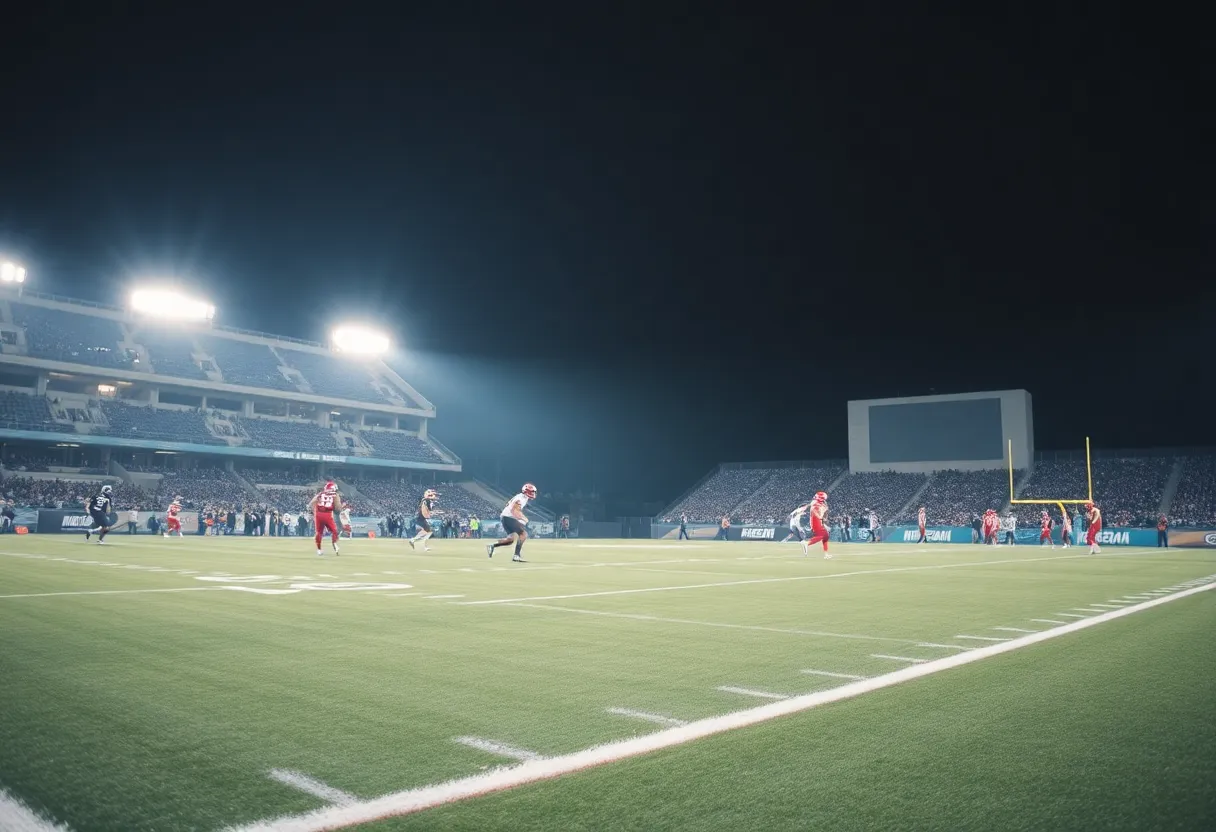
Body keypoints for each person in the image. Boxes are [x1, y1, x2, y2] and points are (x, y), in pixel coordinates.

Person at [487, 483, 536, 562]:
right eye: (532, 492)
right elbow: (514, 511)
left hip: (505, 517)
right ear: (527, 491)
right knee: (523, 534)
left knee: (510, 540)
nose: (533, 493)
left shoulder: (522, 497)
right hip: (508, 517)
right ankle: (516, 556)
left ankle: (492, 545)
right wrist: (524, 518)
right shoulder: (521, 498)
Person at [309, 481, 343, 557]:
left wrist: (312, 511)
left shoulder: (320, 493)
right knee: (335, 531)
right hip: (327, 514)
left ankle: (319, 550)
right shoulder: (335, 495)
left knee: (319, 532)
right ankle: (334, 543)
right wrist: (339, 509)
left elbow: (312, 502)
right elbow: (338, 507)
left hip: (318, 514)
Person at [803, 491, 831, 558]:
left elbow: (824, 514)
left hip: (818, 521)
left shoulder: (820, 504)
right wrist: (820, 517)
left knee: (826, 536)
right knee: (822, 535)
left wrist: (823, 518)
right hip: (816, 521)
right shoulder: (816, 504)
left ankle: (826, 554)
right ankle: (807, 543)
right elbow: (814, 511)